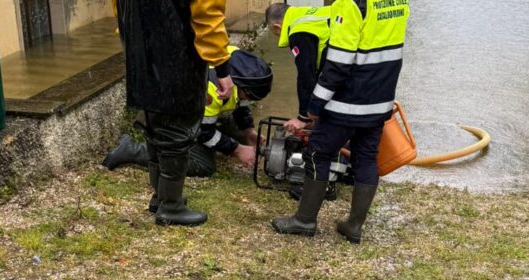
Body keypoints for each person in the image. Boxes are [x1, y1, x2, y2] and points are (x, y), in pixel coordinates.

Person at [271, 0, 410, 244]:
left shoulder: (349, 4)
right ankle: (354, 226)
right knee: (366, 158)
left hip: (347, 100)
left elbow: (339, 62)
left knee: (317, 153)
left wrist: (313, 108)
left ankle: (304, 220)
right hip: (380, 97)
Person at [117, 0, 233, 227]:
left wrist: (132, 41)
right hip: (177, 54)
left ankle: (160, 197)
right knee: (176, 131)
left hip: (142, 52)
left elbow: (119, 9)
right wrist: (222, 68)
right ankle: (171, 206)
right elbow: (208, 16)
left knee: (155, 126)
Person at [102, 47, 273, 182]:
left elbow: (240, 104)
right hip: (173, 115)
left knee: (239, 134)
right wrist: (236, 149)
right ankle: (132, 149)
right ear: (238, 84)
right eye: (248, 96)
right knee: (204, 165)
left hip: (198, 112)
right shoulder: (214, 89)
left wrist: (249, 131)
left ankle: (233, 142)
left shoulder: (235, 61)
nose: (248, 100)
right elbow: (203, 132)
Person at [264, 4, 331, 133]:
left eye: (275, 33)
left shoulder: (298, 31)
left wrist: (303, 117)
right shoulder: (307, 14)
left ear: (277, 27)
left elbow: (306, 74)